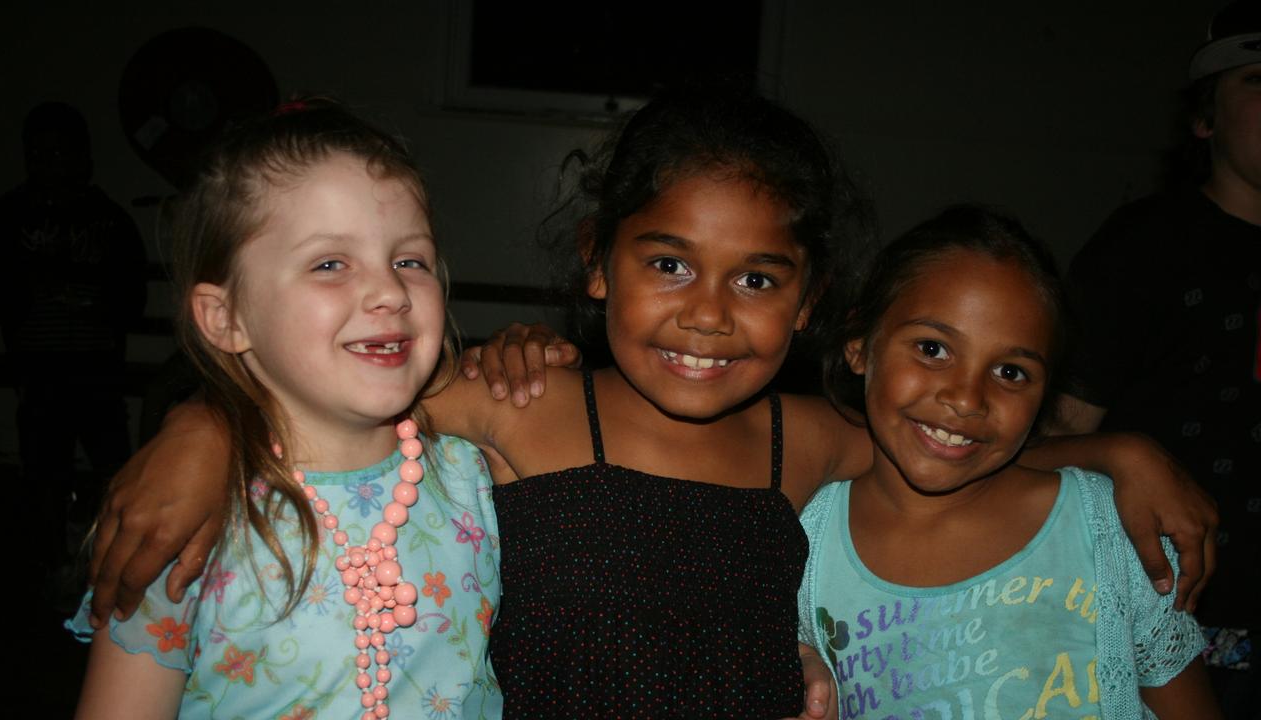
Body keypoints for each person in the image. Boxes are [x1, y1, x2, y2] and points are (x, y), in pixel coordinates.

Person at [83, 88, 1215, 719]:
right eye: (667, 264)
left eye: (758, 280)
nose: (709, 314)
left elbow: (952, 442)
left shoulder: (808, 439)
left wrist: (1117, 451)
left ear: (811, 299)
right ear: (595, 264)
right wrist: (198, 430)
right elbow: (323, 391)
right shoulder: (518, 401)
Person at [68, 99, 503, 719]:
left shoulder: (476, 477)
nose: (389, 291)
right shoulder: (186, 524)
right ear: (228, 318)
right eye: (330, 264)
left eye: (410, 260)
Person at [799, 205, 1219, 719]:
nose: (968, 398)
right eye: (932, 348)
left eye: (1011, 372)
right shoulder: (802, 547)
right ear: (859, 345)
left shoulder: (1110, 530)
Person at [1054, 3, 1259, 714]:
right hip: (1179, 627)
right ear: (1204, 119)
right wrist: (1126, 452)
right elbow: (1043, 436)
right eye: (1258, 80)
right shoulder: (1145, 246)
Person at [0, 102, 147, 568]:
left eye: (62, 152)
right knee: (43, 467)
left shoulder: (108, 219)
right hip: (37, 366)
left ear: (83, 158)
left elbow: (130, 296)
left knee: (112, 462)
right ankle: (47, 560)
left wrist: (96, 300)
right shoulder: (8, 216)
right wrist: (30, 292)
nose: (52, 163)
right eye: (41, 153)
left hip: (96, 365)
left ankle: (110, 552)